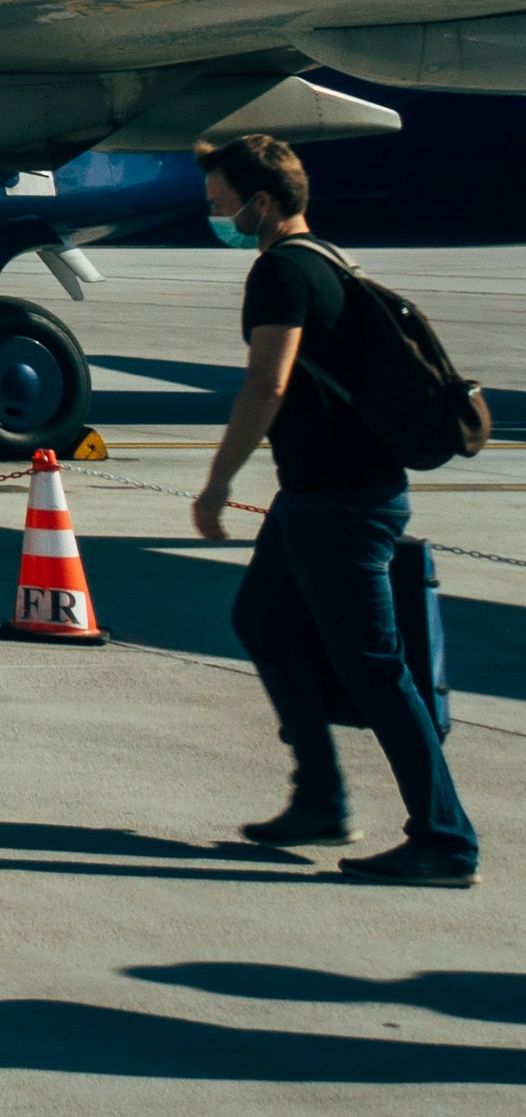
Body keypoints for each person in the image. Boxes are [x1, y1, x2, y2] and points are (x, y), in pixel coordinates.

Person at [193, 132, 480, 887]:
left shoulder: (282, 272)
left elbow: (268, 383)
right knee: (261, 621)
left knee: (374, 669)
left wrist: (218, 481)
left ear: (261, 202)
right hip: (320, 496)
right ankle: (320, 797)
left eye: (222, 204)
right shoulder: (325, 258)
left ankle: (445, 840)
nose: (215, 215)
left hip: (341, 502)